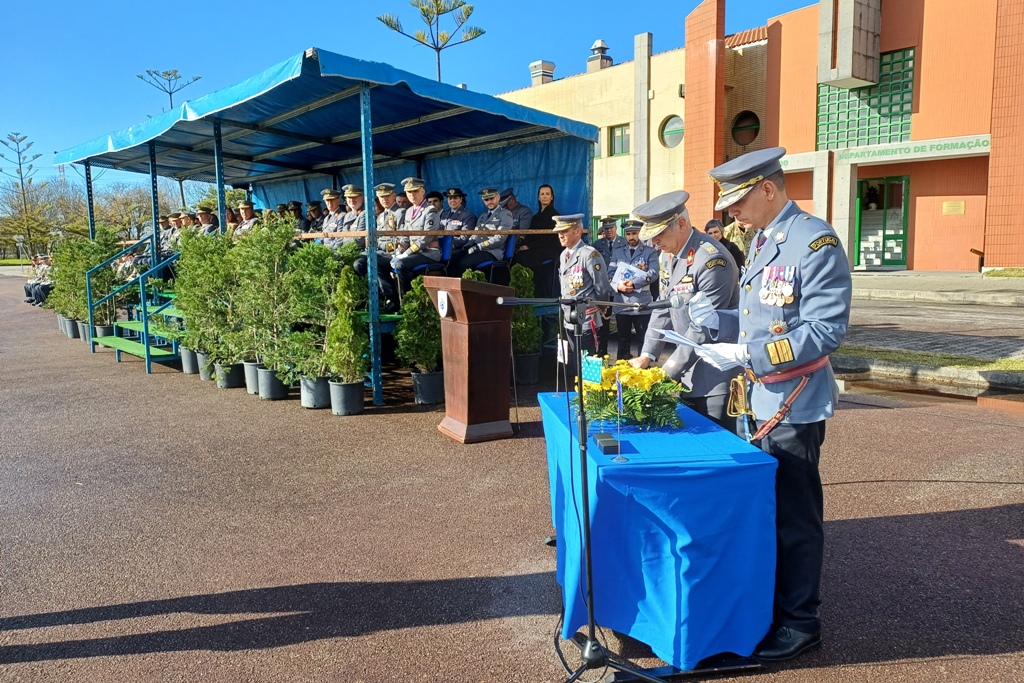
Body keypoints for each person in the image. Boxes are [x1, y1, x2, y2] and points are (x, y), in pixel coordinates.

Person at [692, 147, 853, 662]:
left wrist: (750, 355)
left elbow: (825, 330)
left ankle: (801, 622)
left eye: (738, 202)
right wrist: (718, 326)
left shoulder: (814, 241)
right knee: (769, 510)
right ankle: (773, 608)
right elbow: (758, 319)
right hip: (760, 395)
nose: (732, 213)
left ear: (767, 188)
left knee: (794, 516)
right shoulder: (763, 240)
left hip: (794, 399)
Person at [628, 189, 742, 433]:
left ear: (681, 224)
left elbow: (704, 327)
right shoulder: (669, 256)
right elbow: (663, 308)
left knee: (716, 448)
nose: (653, 242)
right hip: (686, 373)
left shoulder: (711, 260)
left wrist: (667, 371)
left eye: (659, 234)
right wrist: (647, 355)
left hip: (714, 379)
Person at [554, 213, 612, 377]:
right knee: (575, 362)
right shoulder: (564, 255)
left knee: (587, 363)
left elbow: (602, 287)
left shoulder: (589, 254)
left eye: (564, 231)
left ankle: (589, 391)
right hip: (569, 318)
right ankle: (578, 390)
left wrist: (600, 307)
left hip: (586, 318)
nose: (560, 235)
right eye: (559, 232)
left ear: (578, 232)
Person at [609, 219, 659, 360]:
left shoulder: (650, 252)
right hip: (622, 303)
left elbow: (653, 273)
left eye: (634, 233)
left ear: (640, 234)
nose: (631, 237)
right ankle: (622, 368)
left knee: (643, 339)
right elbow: (609, 274)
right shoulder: (617, 252)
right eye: (628, 234)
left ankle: (643, 368)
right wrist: (618, 286)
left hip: (641, 303)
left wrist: (634, 283)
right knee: (622, 339)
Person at [353, 183, 403, 311]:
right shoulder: (381, 216)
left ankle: (391, 298)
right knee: (358, 264)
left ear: (394, 195)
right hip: (380, 251)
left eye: (387, 196)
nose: (384, 199)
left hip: (393, 252)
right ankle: (372, 296)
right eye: (381, 197)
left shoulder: (400, 212)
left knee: (375, 263)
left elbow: (402, 238)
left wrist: (384, 246)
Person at [450, 187, 513, 278]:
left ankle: (465, 287)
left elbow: (500, 238)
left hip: (491, 252)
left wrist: (479, 246)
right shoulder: (483, 216)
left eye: (491, 198)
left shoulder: (505, 214)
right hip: (476, 249)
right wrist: (468, 245)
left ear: (498, 197)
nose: (489, 202)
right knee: (452, 259)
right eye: (486, 200)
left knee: (464, 263)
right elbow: (475, 234)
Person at [392, 177, 441, 291]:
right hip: (414, 253)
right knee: (382, 262)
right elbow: (405, 235)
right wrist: (399, 250)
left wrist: (407, 253)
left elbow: (427, 237)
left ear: (422, 191)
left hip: (428, 253)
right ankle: (392, 297)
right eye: (409, 192)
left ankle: (410, 295)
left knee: (401, 264)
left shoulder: (430, 210)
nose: (412, 194)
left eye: (415, 191)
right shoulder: (409, 211)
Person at [514, 183, 562, 296]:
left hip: (549, 250)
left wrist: (529, 246)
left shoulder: (555, 216)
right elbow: (530, 236)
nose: (545, 196)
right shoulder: (535, 217)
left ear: (552, 197)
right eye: (542, 194)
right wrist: (523, 245)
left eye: (547, 194)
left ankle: (536, 292)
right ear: (538, 197)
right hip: (536, 248)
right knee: (517, 255)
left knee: (525, 258)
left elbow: (549, 239)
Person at [439, 187, 477, 252]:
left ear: (461, 199)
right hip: (441, 246)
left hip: (457, 248)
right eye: (450, 198)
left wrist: (448, 244)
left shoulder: (468, 215)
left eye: (455, 198)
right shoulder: (444, 214)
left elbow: (465, 238)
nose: (452, 201)